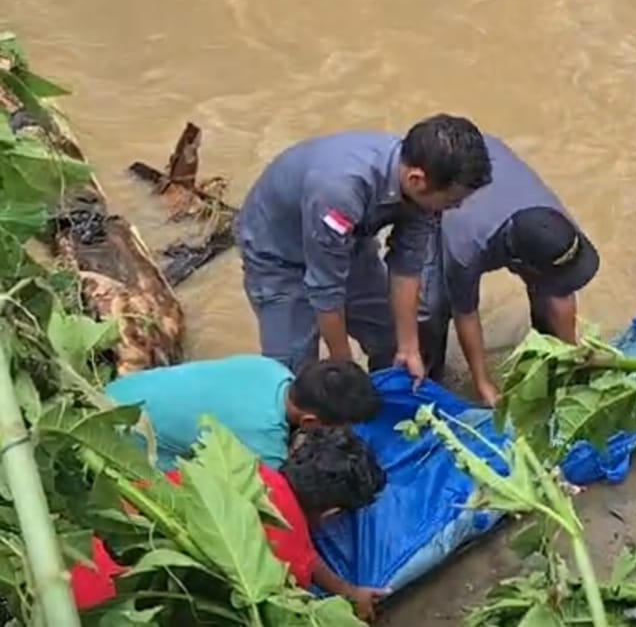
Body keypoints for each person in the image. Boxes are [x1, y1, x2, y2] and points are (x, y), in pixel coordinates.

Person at [235, 114, 492, 380]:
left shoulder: (423, 185)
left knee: (390, 340)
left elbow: (408, 265)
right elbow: (326, 288)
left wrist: (408, 347)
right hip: (279, 256)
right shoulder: (341, 192)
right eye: (452, 201)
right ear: (417, 180)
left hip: (349, 244)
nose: (457, 208)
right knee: (294, 374)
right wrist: (344, 369)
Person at [70, 426, 390, 621]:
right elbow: (297, 557)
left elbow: (301, 549)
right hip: (114, 612)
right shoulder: (285, 570)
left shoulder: (247, 470)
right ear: (332, 513)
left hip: (75, 559)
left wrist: (347, 591)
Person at [413, 135, 599, 405]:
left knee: (551, 300)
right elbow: (466, 313)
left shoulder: (555, 228)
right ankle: (427, 381)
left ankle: (549, 362)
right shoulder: (467, 246)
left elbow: (562, 289)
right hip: (444, 189)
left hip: (493, 171)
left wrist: (571, 353)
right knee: (431, 305)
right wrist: (483, 382)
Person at [105, 354, 379, 471]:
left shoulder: (272, 370)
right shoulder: (264, 447)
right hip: (116, 435)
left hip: (116, 391)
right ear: (310, 421)